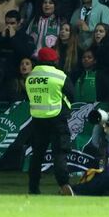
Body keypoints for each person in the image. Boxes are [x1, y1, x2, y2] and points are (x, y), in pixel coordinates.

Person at [25, 47, 74, 196]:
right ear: (54, 60)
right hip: (57, 118)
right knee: (59, 153)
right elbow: (72, 94)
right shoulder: (59, 75)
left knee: (37, 155)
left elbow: (29, 97)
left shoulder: (30, 77)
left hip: (38, 120)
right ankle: (64, 185)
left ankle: (33, 188)